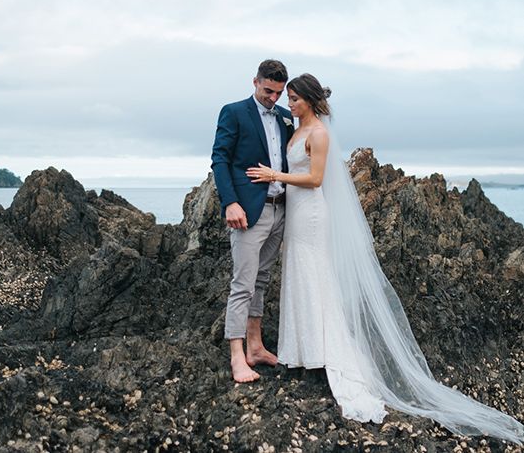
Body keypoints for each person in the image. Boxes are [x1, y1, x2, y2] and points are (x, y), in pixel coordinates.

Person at [246, 73, 524, 443]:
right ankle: (300, 350)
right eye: (289, 98)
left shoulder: (319, 134)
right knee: (298, 274)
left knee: (316, 276)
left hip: (312, 212)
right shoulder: (295, 129)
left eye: (295, 99)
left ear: (310, 101)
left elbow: (314, 179)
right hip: (295, 214)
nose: (290, 104)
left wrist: (273, 175)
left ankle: (326, 352)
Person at [211, 59, 294, 383]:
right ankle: (236, 357)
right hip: (248, 211)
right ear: (255, 82)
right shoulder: (233, 112)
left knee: (262, 280)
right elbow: (220, 158)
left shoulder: (286, 117)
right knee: (242, 284)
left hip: (281, 209)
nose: (273, 98)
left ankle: (256, 347)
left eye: (279, 93)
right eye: (268, 90)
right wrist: (230, 202)